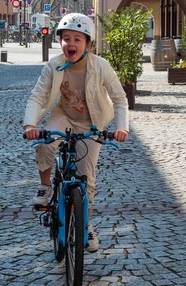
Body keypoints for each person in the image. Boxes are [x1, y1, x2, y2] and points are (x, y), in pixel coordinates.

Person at [23, 13, 129, 252]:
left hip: (91, 123)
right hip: (64, 116)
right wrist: (30, 125)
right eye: (66, 38)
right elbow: (38, 96)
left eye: (77, 39)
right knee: (44, 141)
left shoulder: (101, 66)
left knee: (86, 181)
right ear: (59, 41)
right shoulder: (55, 64)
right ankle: (45, 187)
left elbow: (120, 99)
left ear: (88, 44)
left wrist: (121, 128)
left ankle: (85, 226)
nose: (71, 44)